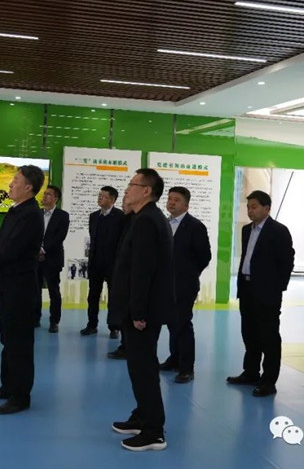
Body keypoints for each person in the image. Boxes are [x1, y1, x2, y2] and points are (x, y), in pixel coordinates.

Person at [109, 169, 174, 452]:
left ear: (146, 190)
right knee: (138, 367)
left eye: (132, 184)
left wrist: (138, 313)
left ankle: (153, 431)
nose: (126, 189)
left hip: (142, 312)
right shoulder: (141, 217)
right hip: (137, 308)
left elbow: (142, 271)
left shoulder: (148, 221)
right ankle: (142, 415)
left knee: (144, 369)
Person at [0, 165, 45, 415]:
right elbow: (0, 241)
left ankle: (21, 396)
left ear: (28, 187)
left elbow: (13, 249)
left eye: (15, 180)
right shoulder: (16, 210)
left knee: (19, 342)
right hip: (7, 285)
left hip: (20, 287)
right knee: (8, 338)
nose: (10, 184)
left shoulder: (31, 214)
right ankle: (8, 386)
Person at [227, 190, 294, 397]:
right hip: (247, 288)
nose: (250, 211)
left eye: (254, 207)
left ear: (267, 208)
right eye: (248, 207)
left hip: (267, 292)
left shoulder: (279, 231)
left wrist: (278, 287)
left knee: (269, 337)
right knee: (249, 333)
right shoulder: (247, 229)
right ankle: (250, 372)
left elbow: (287, 261)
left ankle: (268, 381)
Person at [159, 187, 211, 384]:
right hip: (165, 284)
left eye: (177, 200)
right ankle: (174, 358)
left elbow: (204, 256)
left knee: (182, 324)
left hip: (184, 284)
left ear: (186, 205)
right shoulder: (164, 224)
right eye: (170, 199)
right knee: (171, 323)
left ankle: (187, 368)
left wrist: (189, 274)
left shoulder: (195, 226)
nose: (172, 202)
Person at [80, 186, 126, 340]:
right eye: (99, 195)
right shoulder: (94, 216)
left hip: (113, 265)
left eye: (103, 196)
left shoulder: (121, 217)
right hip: (96, 263)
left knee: (114, 297)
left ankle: (114, 327)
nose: (100, 198)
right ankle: (91, 325)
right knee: (93, 296)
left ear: (112, 200)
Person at [35, 185, 70, 333]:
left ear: (56, 198)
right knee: (34, 290)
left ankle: (54, 321)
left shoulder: (63, 216)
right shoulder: (37, 213)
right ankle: (35, 318)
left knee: (53, 291)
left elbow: (60, 236)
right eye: (44, 194)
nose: (44, 196)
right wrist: (36, 250)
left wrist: (43, 250)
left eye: (48, 194)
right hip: (35, 258)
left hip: (53, 258)